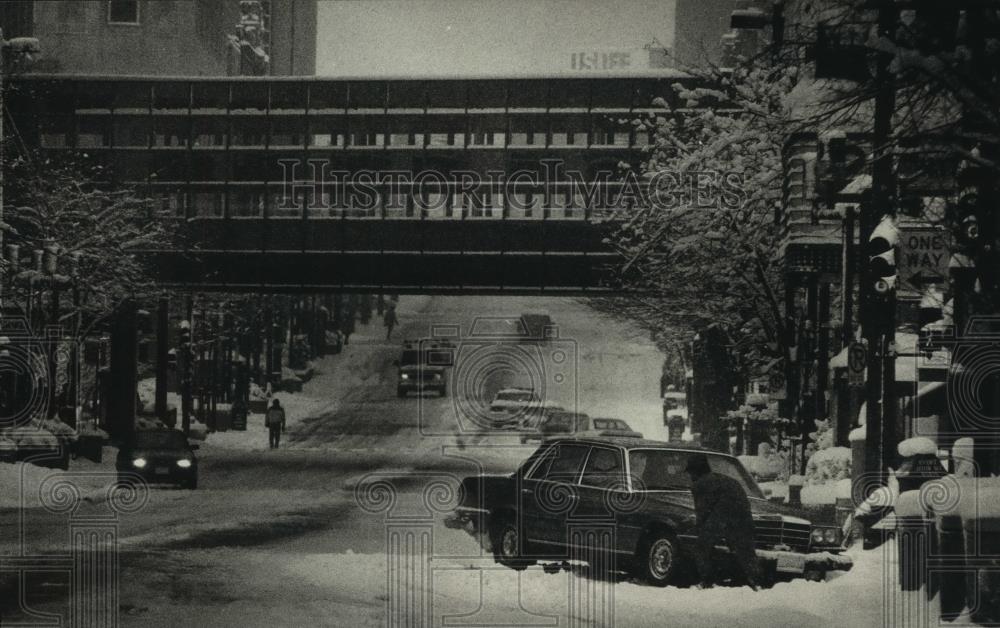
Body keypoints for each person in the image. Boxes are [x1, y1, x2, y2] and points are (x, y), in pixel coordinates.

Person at [685, 452, 759, 590]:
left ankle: (707, 582)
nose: (690, 477)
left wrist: (698, 529)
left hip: (721, 517)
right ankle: (752, 581)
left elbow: (703, 512)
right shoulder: (728, 480)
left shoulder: (700, 484)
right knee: (743, 550)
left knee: (702, 547)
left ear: (695, 471)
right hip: (744, 517)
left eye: (691, 473)